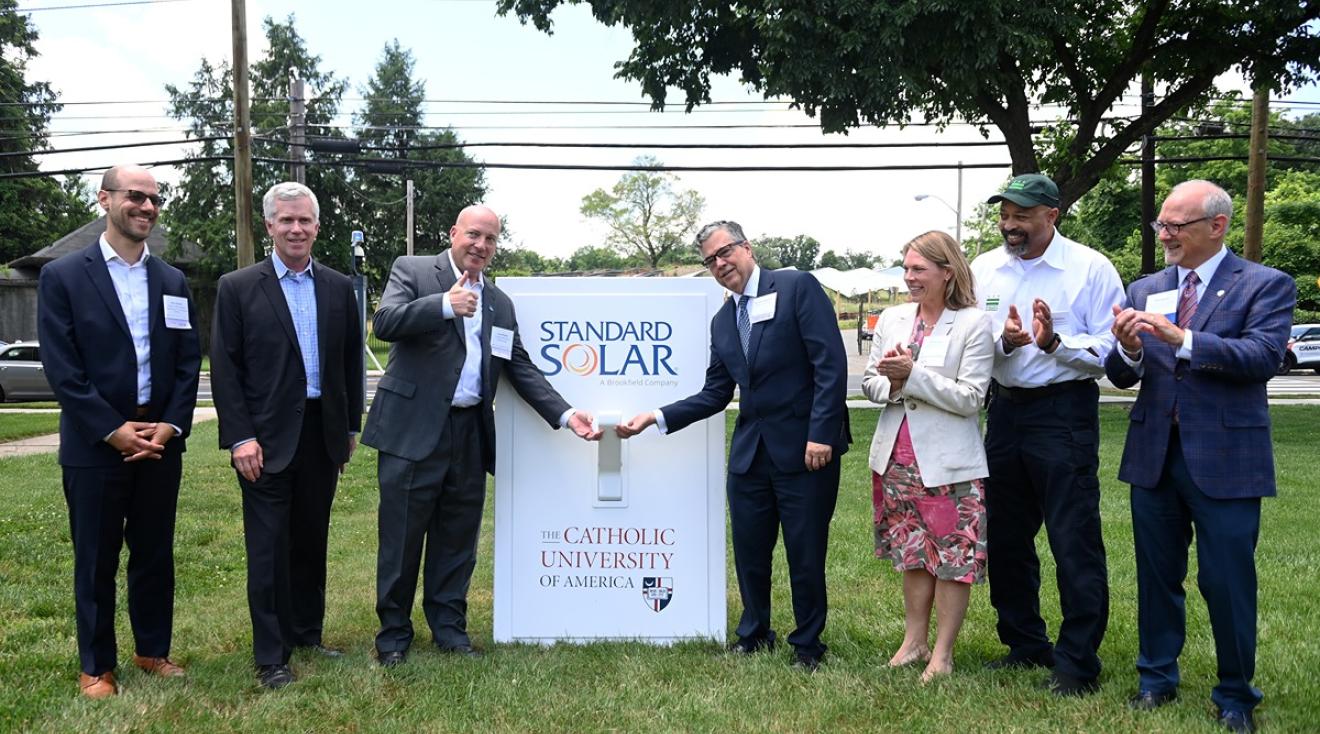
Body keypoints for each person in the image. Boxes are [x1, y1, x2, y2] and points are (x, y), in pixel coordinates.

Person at [362, 205, 600, 667]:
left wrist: (567, 414)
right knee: (402, 536)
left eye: (491, 239)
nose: (481, 246)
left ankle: (449, 628)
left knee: (458, 538)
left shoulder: (500, 302)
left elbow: (520, 368)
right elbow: (384, 324)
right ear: (454, 233)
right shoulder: (412, 271)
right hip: (412, 431)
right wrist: (442, 306)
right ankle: (393, 634)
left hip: (469, 431)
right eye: (474, 234)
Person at [616, 220, 850, 671]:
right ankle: (755, 632)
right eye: (710, 261)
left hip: (806, 451)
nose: (720, 264)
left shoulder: (797, 287)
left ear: (747, 247)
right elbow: (715, 393)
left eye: (725, 253)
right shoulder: (723, 321)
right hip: (749, 457)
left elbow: (830, 365)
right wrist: (656, 417)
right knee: (749, 552)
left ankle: (807, 644)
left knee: (804, 552)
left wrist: (821, 434)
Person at [1106, 180, 1293, 733]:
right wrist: (1132, 348)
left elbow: (1262, 357)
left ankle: (1236, 694)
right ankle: (1155, 680)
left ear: (1217, 226)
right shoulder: (1145, 288)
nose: (1164, 235)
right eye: (1160, 225)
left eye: (1175, 226)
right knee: (1156, 575)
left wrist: (1182, 338)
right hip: (1155, 454)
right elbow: (1122, 375)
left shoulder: (1265, 284)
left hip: (1228, 455)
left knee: (1227, 579)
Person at [38, 165, 201, 698]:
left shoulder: (172, 281)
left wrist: (170, 427)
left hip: (158, 445)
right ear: (105, 199)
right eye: (136, 196)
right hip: (95, 447)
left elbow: (185, 362)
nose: (147, 207)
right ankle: (96, 665)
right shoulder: (63, 276)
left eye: (155, 199)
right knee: (97, 558)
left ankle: (152, 649)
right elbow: (63, 369)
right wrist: (112, 430)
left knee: (154, 553)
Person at [970, 173, 1124, 696]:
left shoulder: (1090, 269)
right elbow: (974, 342)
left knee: (1072, 537)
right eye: (1005, 214)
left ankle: (1078, 660)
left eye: (1022, 215)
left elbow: (1112, 353)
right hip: (1005, 413)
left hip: (1064, 413)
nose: (1010, 225)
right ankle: (1025, 643)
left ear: (1051, 215)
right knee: (1008, 537)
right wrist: (1007, 343)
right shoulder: (986, 269)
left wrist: (1054, 341)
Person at [210, 182, 364, 690]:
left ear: (318, 227)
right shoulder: (237, 287)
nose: (296, 229)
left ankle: (307, 633)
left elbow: (349, 364)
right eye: (286, 220)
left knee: (310, 542)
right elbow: (226, 371)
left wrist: (349, 427)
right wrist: (239, 438)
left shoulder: (341, 288)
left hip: (322, 437)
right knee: (269, 550)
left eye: (305, 221)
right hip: (265, 443)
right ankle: (271, 656)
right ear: (269, 226)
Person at [862, 231, 993, 683]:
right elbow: (869, 383)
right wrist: (893, 383)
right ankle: (914, 640)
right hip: (896, 460)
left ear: (947, 271)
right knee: (914, 553)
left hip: (949, 463)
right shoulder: (894, 319)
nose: (909, 278)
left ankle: (942, 653)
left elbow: (971, 398)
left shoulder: (973, 324)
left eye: (919, 269)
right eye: (907, 269)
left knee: (953, 557)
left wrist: (913, 375)